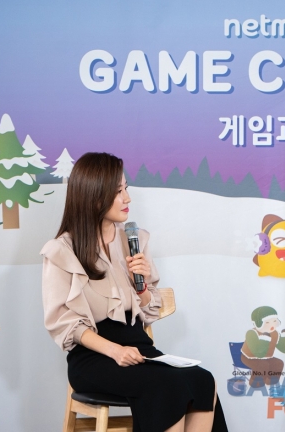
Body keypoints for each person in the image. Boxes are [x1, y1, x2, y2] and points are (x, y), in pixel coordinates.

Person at [41, 152, 227, 432]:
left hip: (139, 347)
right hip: (93, 356)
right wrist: (115, 351)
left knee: (202, 380)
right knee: (168, 386)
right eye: (118, 191)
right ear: (94, 195)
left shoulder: (134, 239)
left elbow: (149, 310)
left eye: (126, 188)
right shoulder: (61, 251)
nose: (127, 198)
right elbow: (64, 325)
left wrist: (140, 286)